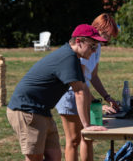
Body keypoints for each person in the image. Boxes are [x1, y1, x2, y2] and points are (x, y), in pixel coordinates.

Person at [6, 24, 108, 161]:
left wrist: (99, 106)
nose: (95, 51)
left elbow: (83, 88)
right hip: (27, 110)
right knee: (34, 157)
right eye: (92, 46)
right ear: (78, 41)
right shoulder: (68, 58)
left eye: (96, 47)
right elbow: (78, 93)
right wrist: (87, 126)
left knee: (54, 156)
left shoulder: (74, 59)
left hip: (43, 111)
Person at [56, 13, 120, 161]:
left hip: (83, 94)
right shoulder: (84, 47)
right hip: (71, 94)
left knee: (88, 137)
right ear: (97, 28)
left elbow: (94, 76)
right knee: (73, 140)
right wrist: (96, 104)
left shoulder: (97, 47)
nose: (107, 39)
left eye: (110, 37)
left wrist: (107, 97)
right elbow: (81, 83)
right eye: (106, 34)